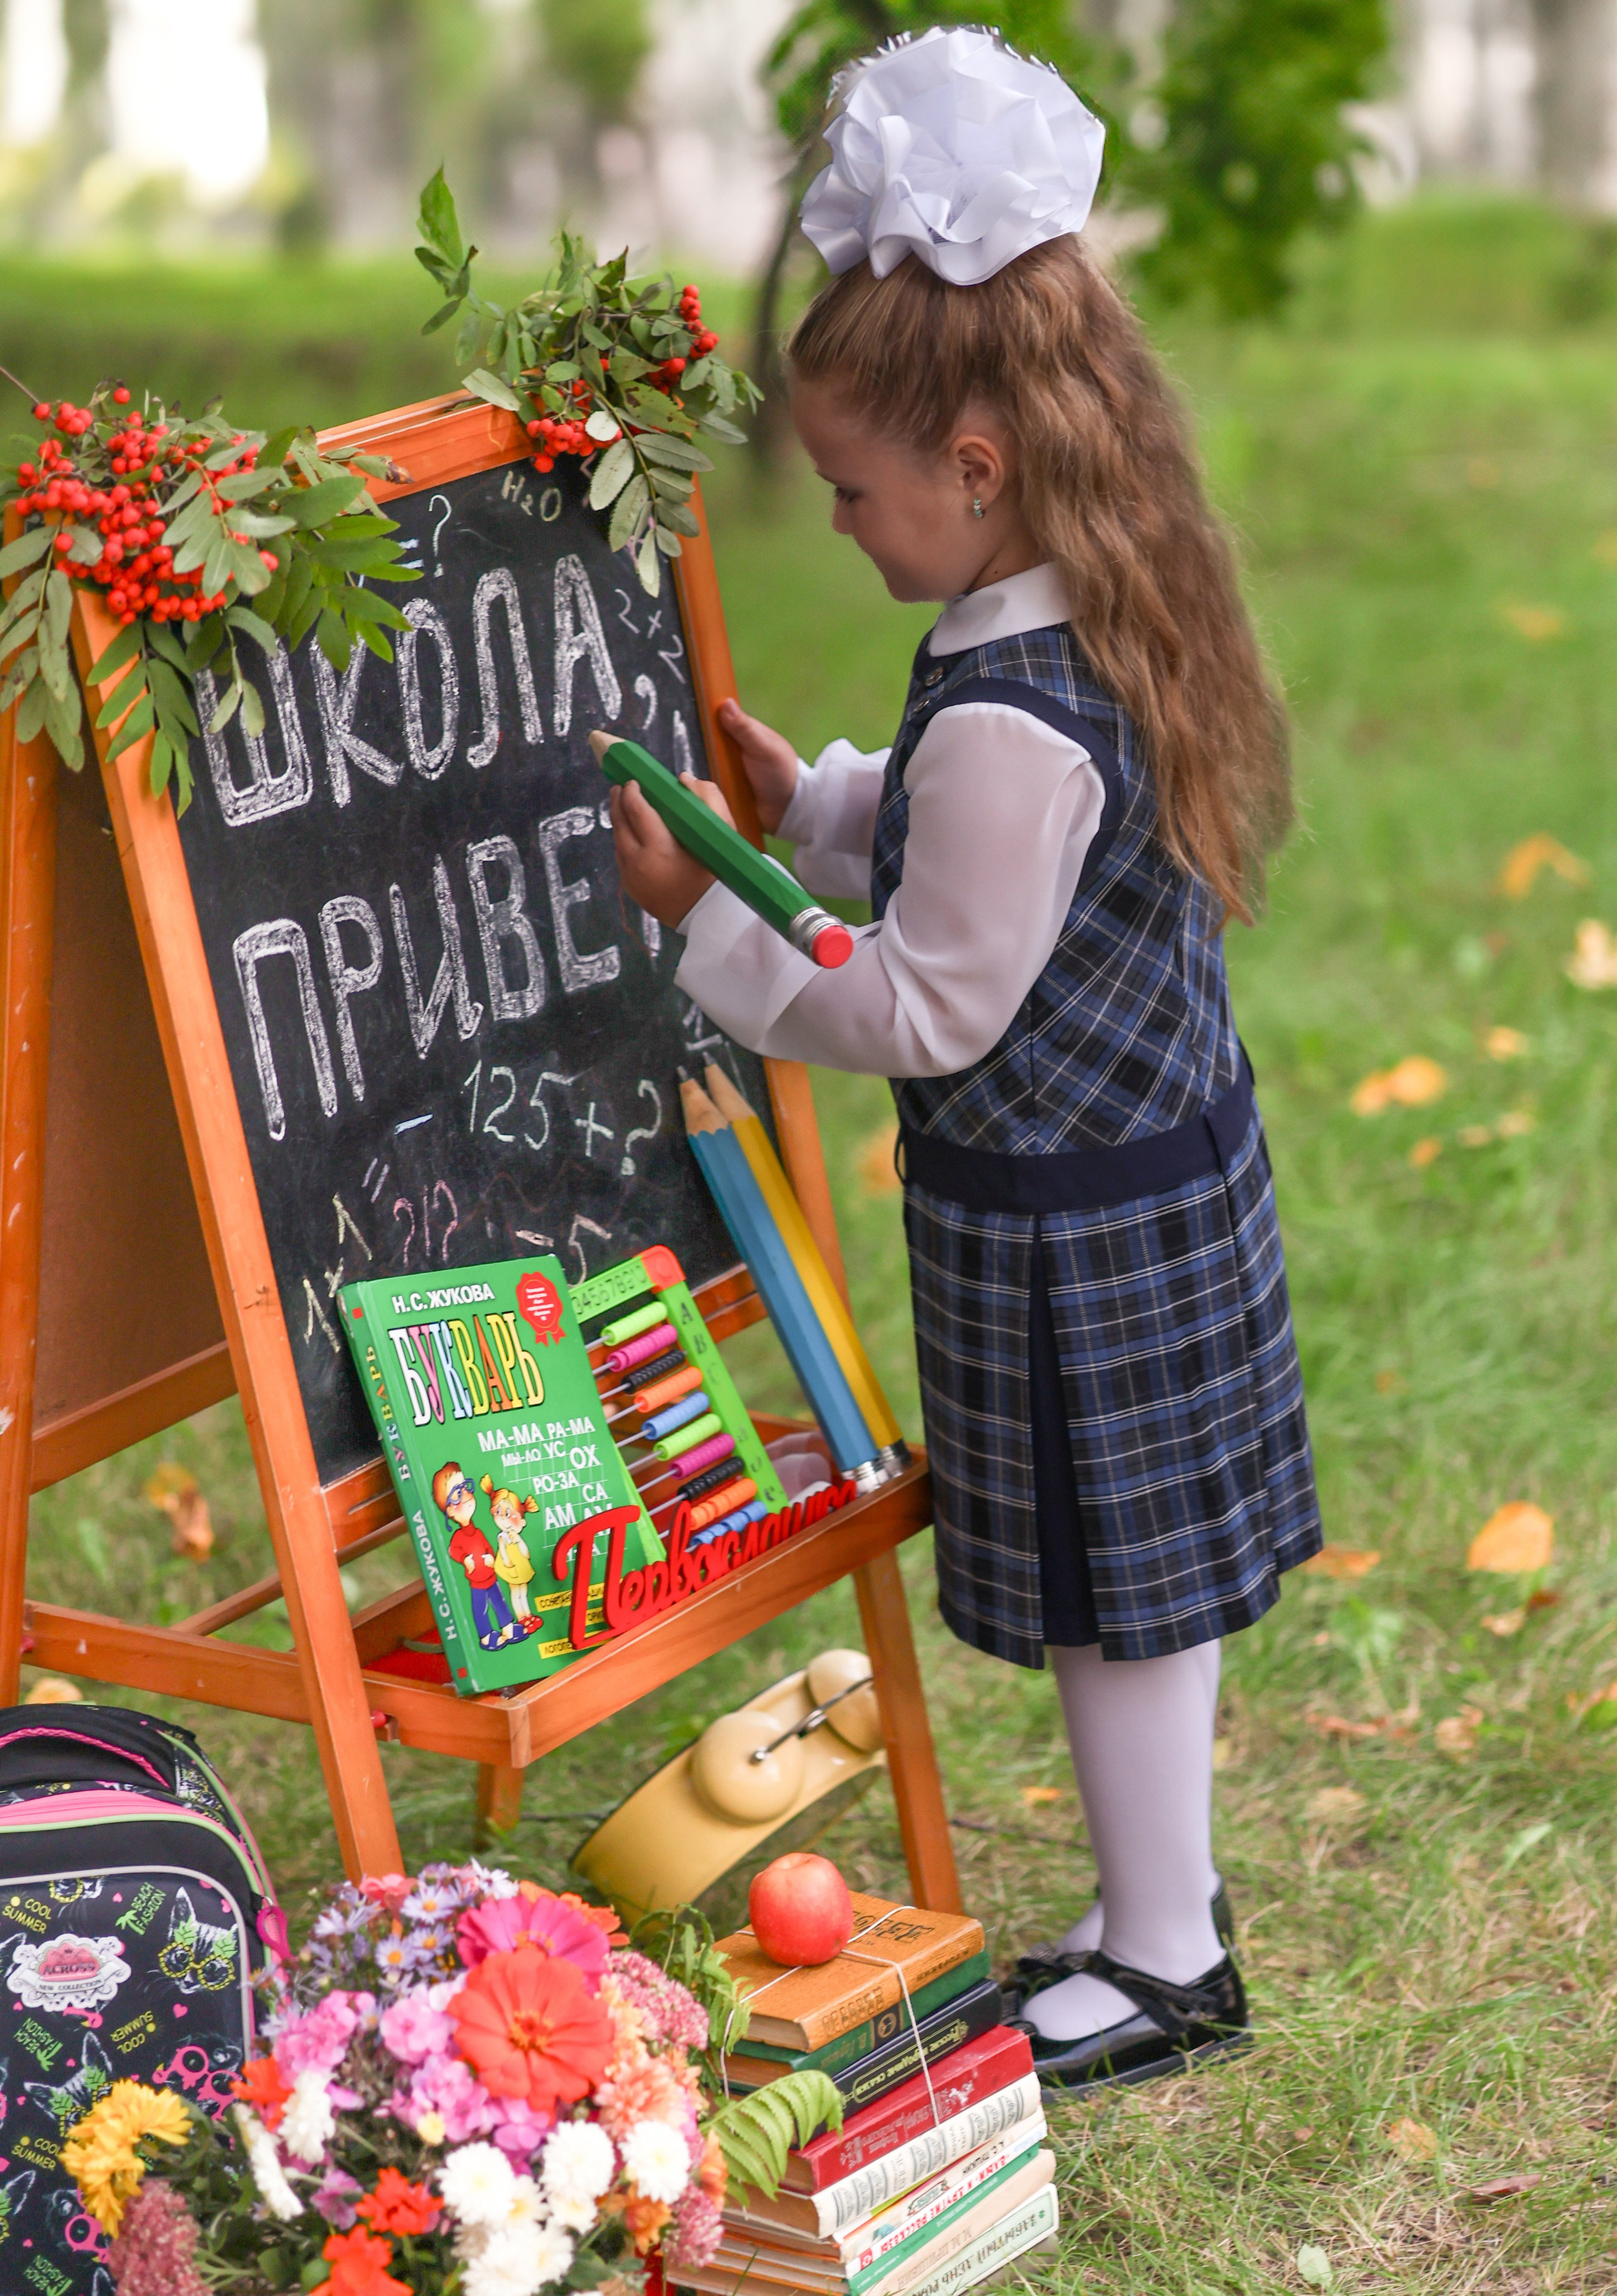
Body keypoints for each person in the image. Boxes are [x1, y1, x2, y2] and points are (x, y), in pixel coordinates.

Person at [610, 26, 1323, 2095]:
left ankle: (1169, 1952)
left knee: (1122, 1595)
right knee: (1137, 1598)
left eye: (851, 485)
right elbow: (967, 842)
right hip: (1138, 1182)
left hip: (1080, 1236)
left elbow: (930, 997)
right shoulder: (1052, 617)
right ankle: (1150, 1906)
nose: (836, 520)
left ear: (978, 465)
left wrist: (712, 922)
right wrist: (819, 802)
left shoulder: (1014, 702)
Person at [431, 1461, 515, 1652]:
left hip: (491, 1578)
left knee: (500, 1603)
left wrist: (491, 1558)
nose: (467, 1496)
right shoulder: (459, 1536)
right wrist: (464, 1559)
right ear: (450, 1511)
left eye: (465, 1487)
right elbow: (453, 1550)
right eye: (457, 1494)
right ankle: (486, 1637)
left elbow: (487, 1547)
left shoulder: (477, 1532)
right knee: (481, 1610)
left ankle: (508, 1629)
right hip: (477, 1583)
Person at [481, 1473, 541, 1633]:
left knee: (524, 1591)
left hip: (521, 1565)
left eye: (508, 1514)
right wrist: (507, 1562)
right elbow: (503, 1552)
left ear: (522, 1521)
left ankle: (529, 1614)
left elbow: (526, 1554)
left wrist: (519, 1541)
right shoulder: (502, 1536)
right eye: (498, 1513)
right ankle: (522, 1618)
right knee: (516, 1592)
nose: (503, 1520)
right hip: (510, 1566)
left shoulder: (516, 1535)